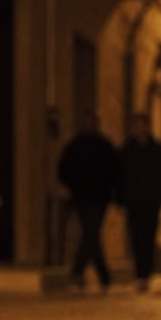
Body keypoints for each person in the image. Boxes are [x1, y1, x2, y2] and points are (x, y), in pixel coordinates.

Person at [58, 112, 118, 292]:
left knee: (90, 233)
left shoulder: (104, 146)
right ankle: (102, 275)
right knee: (91, 234)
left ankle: (79, 272)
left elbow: (114, 170)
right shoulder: (75, 146)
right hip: (81, 197)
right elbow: (64, 168)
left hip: (100, 197)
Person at [118, 113, 161, 292]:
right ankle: (139, 274)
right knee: (135, 238)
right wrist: (122, 198)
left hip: (151, 202)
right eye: (137, 125)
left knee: (148, 238)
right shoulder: (127, 151)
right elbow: (118, 176)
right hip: (133, 202)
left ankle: (146, 274)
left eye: (142, 125)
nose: (140, 129)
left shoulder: (158, 151)